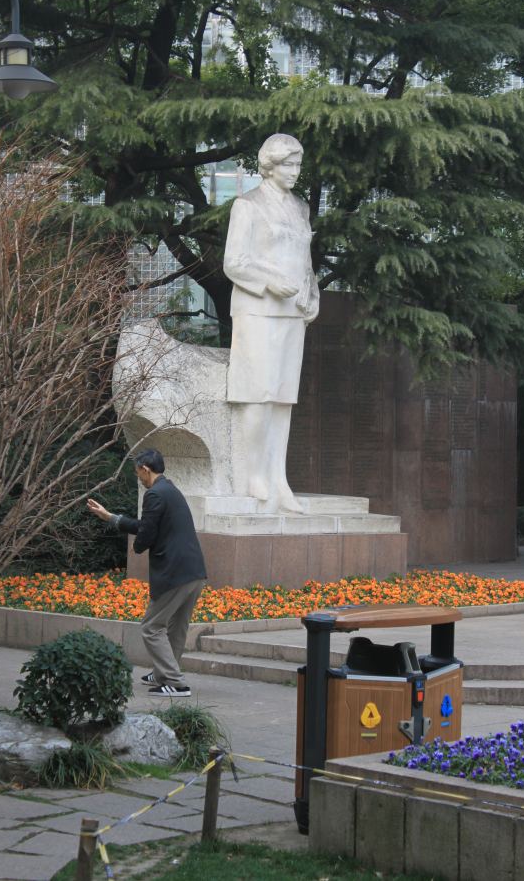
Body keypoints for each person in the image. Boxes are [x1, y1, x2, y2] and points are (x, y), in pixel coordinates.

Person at [224, 133, 319, 514]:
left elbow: (305, 260)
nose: (295, 172)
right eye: (288, 165)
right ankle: (254, 474)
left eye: (298, 165)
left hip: (293, 312)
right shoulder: (247, 206)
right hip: (258, 310)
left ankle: (279, 478)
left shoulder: (300, 208)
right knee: (259, 393)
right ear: (270, 166)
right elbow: (234, 262)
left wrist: (312, 294)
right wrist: (269, 283)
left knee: (283, 398)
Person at [87, 448, 206, 698]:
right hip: (193, 570)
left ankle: (175, 681)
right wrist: (110, 517)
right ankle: (165, 673)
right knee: (176, 627)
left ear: (145, 469)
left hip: (174, 572)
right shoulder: (170, 490)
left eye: (138, 472)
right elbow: (146, 525)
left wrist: (138, 545)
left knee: (151, 626)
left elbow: (146, 534)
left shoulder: (154, 494)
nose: (138, 477)